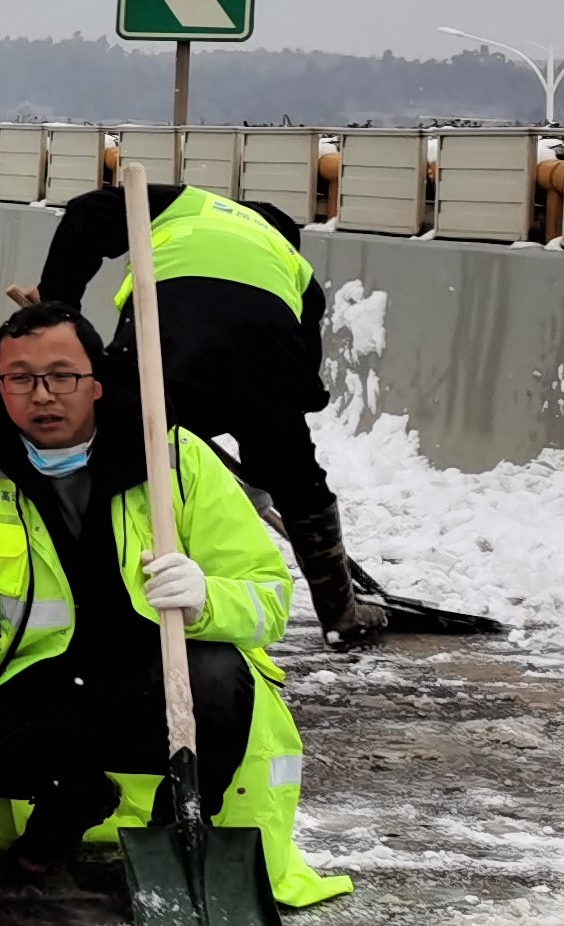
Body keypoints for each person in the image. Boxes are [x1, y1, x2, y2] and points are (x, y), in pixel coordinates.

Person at [0, 302, 346, 908]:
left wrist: (206, 599)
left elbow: (269, 597)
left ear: (96, 382)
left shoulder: (173, 459)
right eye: (21, 378)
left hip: (155, 690)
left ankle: (176, 834)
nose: (43, 395)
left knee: (219, 677)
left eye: (62, 375)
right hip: (42, 687)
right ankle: (68, 802)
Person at [28, 177, 387, 647]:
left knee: (121, 462)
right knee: (297, 480)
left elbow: (86, 214)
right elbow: (307, 382)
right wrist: (266, 450)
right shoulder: (293, 266)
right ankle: (341, 613)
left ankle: (93, 596)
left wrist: (58, 310)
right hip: (267, 363)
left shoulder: (186, 204)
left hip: (164, 348)